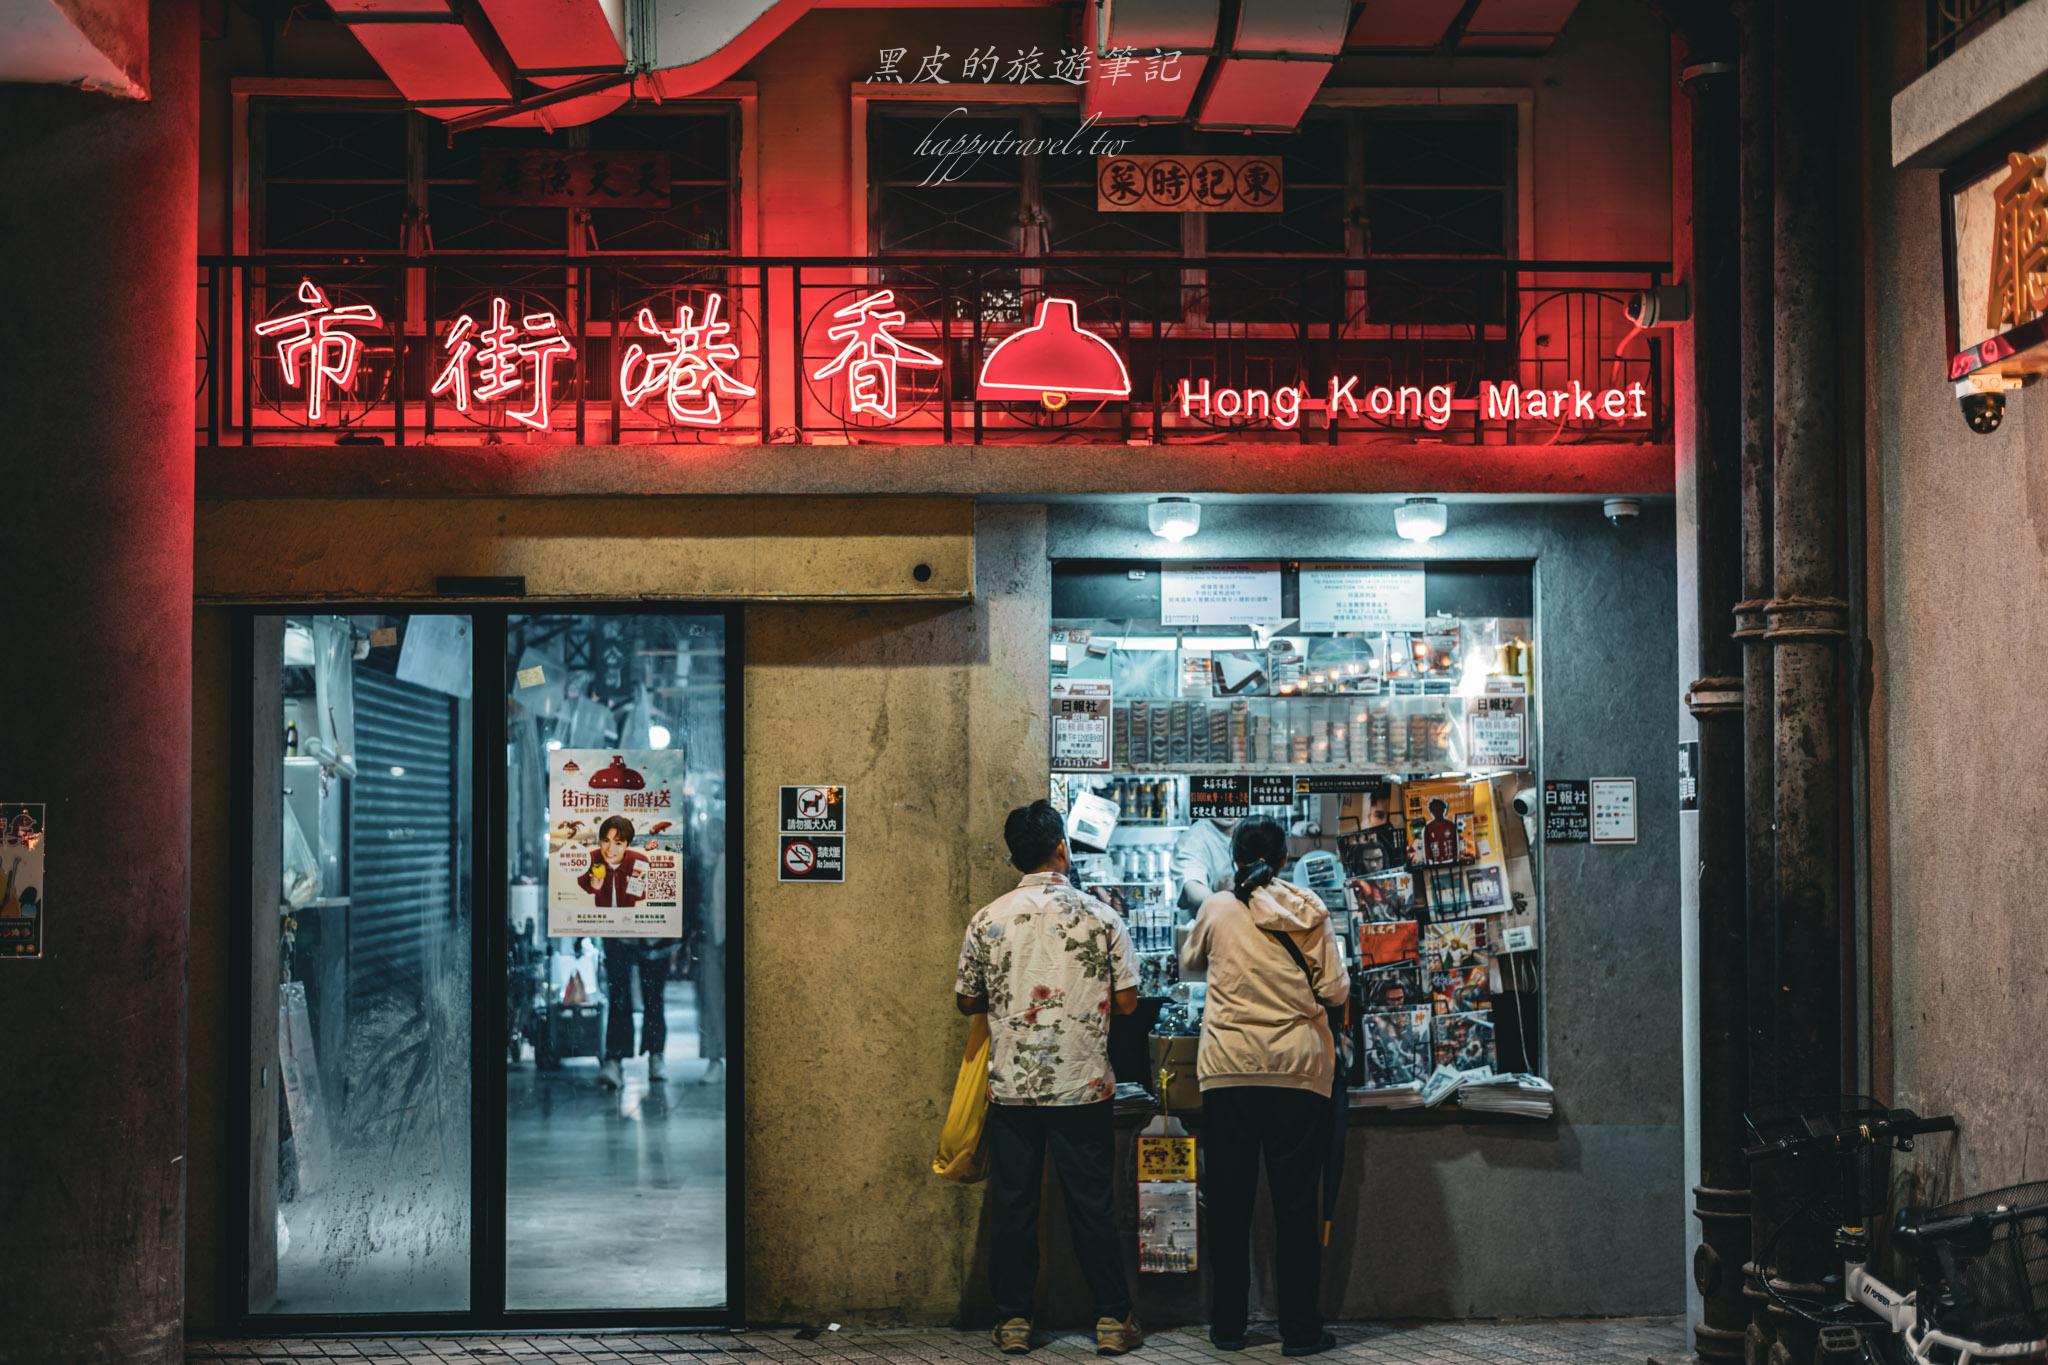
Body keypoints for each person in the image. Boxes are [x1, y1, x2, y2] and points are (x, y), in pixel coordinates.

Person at [955, 800, 1143, 1357]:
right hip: (1082, 1084)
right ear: (1062, 847)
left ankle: (1013, 1321)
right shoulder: (1101, 916)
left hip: (1013, 1086)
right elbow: (1129, 1003)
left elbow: (967, 1000)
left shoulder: (988, 918)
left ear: (1015, 856)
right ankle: (1111, 1320)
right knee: (1092, 1205)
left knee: (1014, 1206)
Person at [1180, 816, 1350, 1357]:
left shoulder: (1218, 907)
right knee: (1296, 1206)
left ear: (1233, 858)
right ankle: (1299, 1332)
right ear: (1283, 860)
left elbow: (1190, 967)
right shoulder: (1309, 910)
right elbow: (1337, 988)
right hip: (1298, 1074)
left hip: (1229, 1072)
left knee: (1229, 1204)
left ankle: (1228, 1327)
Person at [581, 816, 671, 1089]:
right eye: (607, 840)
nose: (612, 847)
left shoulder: (645, 861)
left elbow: (649, 896)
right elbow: (586, 889)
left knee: (654, 998)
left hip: (654, 938)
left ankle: (655, 1055)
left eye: (618, 841)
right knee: (619, 997)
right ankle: (615, 1060)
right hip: (617, 937)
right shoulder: (599, 861)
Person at [1170, 815, 1238, 912]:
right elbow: (1193, 889)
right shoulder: (1193, 839)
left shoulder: (1251, 826)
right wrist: (1233, 906)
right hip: (1210, 922)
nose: (1229, 807)